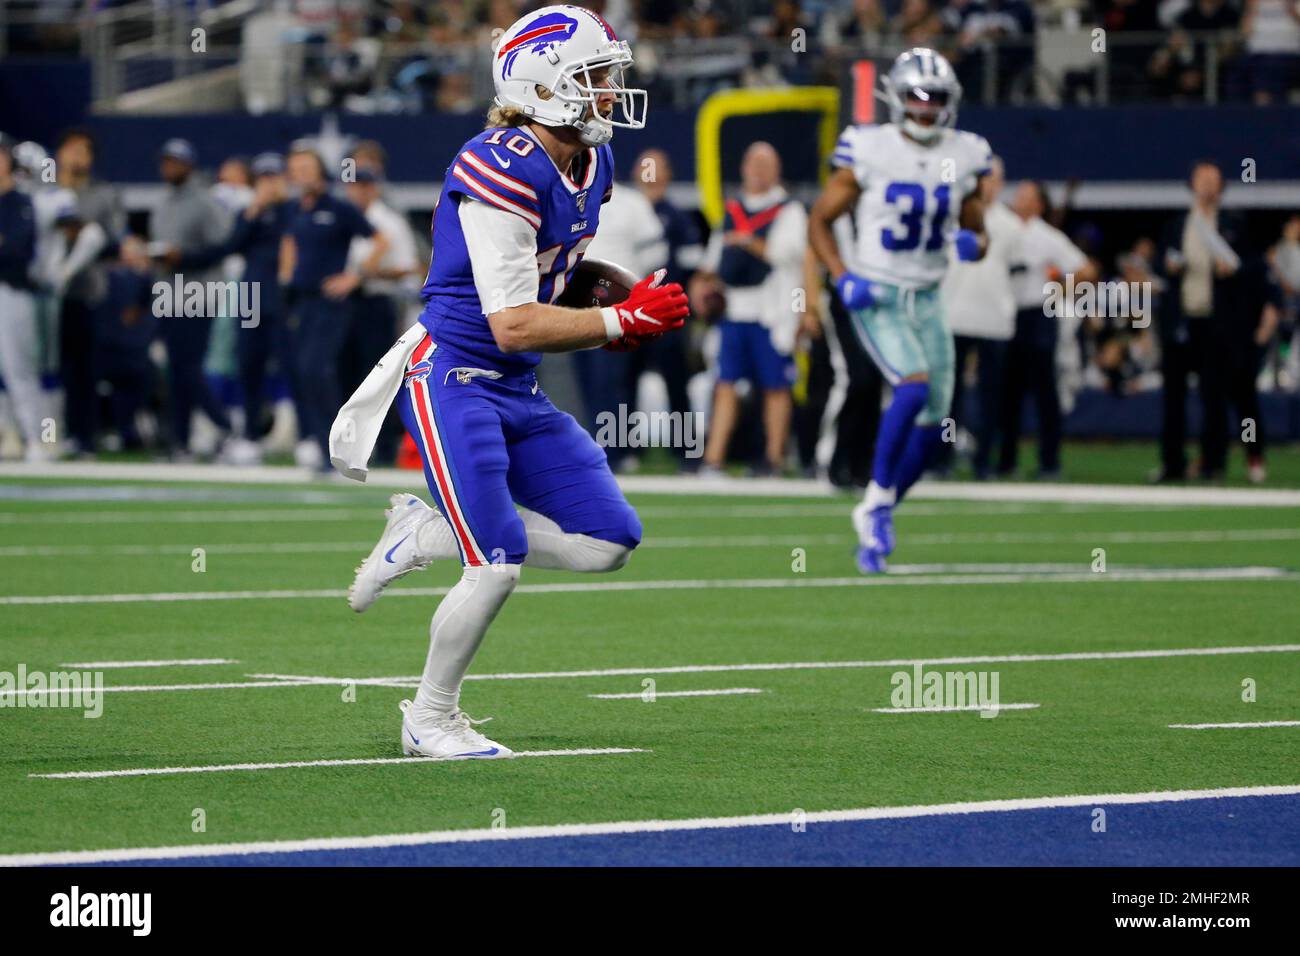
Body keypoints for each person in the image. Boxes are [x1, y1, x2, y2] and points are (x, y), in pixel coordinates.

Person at [335, 6, 687, 759]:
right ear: (543, 85)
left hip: (514, 385)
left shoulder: (590, 161)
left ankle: (424, 530)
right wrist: (621, 324)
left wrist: (613, 296)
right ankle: (428, 718)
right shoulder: (501, 162)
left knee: (609, 541)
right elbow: (513, 323)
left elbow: (554, 270)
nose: (609, 93)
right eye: (594, 78)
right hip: (454, 374)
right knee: (495, 561)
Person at [808, 47, 991, 573]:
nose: (927, 107)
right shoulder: (870, 148)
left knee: (935, 426)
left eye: (936, 98)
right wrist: (842, 277)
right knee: (911, 386)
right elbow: (819, 219)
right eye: (916, 96)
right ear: (896, 98)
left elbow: (980, 232)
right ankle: (877, 493)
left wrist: (973, 244)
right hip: (881, 291)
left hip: (930, 298)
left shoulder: (966, 153)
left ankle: (877, 508)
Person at [692, 142, 807, 476]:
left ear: (776, 170)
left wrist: (747, 242)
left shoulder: (789, 210)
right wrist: (702, 284)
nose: (757, 171)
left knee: (776, 386)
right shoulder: (732, 210)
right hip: (734, 310)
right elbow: (713, 260)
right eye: (752, 163)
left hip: (772, 312)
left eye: (764, 164)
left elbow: (789, 254)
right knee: (725, 382)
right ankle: (714, 459)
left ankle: (774, 458)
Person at [279, 143, 387, 469]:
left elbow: (381, 240)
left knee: (317, 368)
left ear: (319, 171)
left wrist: (353, 278)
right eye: (295, 169)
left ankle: (334, 444)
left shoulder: (338, 207)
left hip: (331, 302)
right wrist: (287, 275)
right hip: (303, 300)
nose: (300, 175)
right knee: (302, 370)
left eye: (306, 168)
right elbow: (290, 241)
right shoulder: (296, 208)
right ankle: (318, 440)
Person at [1155, 160, 1246, 482]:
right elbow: (1160, 265)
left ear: (1221, 186)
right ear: (1192, 184)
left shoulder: (1234, 223)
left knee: (1214, 396)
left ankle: (1213, 463)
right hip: (1181, 320)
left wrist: (1233, 272)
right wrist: (1169, 268)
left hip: (1215, 323)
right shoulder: (1177, 225)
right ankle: (1173, 463)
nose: (1207, 185)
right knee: (1173, 397)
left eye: (1213, 180)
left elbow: (1251, 270)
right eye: (1201, 179)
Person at [997, 180, 1095, 479]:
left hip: (1039, 314)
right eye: (1018, 196)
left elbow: (1087, 270)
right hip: (1006, 315)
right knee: (1008, 392)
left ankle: (1049, 461)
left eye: (1027, 197)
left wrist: (1059, 290)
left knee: (1045, 391)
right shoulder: (1001, 228)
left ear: (1040, 204)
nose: (1020, 201)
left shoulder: (1048, 237)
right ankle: (1005, 461)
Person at [150, 138, 235, 459]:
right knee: (177, 369)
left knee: (186, 369)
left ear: (189, 165)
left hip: (198, 294)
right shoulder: (163, 203)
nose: (169, 168)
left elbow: (222, 246)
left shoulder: (204, 201)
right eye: (166, 162)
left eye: (175, 162)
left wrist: (182, 257)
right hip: (168, 294)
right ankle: (180, 442)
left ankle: (222, 423)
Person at [940, 155, 1021, 479]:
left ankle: (983, 461)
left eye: (992, 179)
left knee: (991, 399)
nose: (987, 184)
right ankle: (941, 457)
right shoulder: (949, 216)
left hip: (993, 322)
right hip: (954, 317)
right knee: (948, 398)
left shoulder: (1011, 225)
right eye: (982, 178)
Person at [52, 127, 124, 457]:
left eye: (85, 151)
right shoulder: (46, 189)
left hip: (86, 291)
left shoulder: (103, 193)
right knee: (49, 369)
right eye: (72, 150)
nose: (78, 157)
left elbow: (113, 240)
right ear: (60, 153)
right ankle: (49, 435)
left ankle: (85, 438)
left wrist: (80, 234)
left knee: (84, 369)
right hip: (45, 293)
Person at [0, 135, 45, 460]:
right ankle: (9, 436)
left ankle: (40, 438)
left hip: (12, 292)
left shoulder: (21, 202)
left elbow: (16, 250)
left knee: (22, 370)